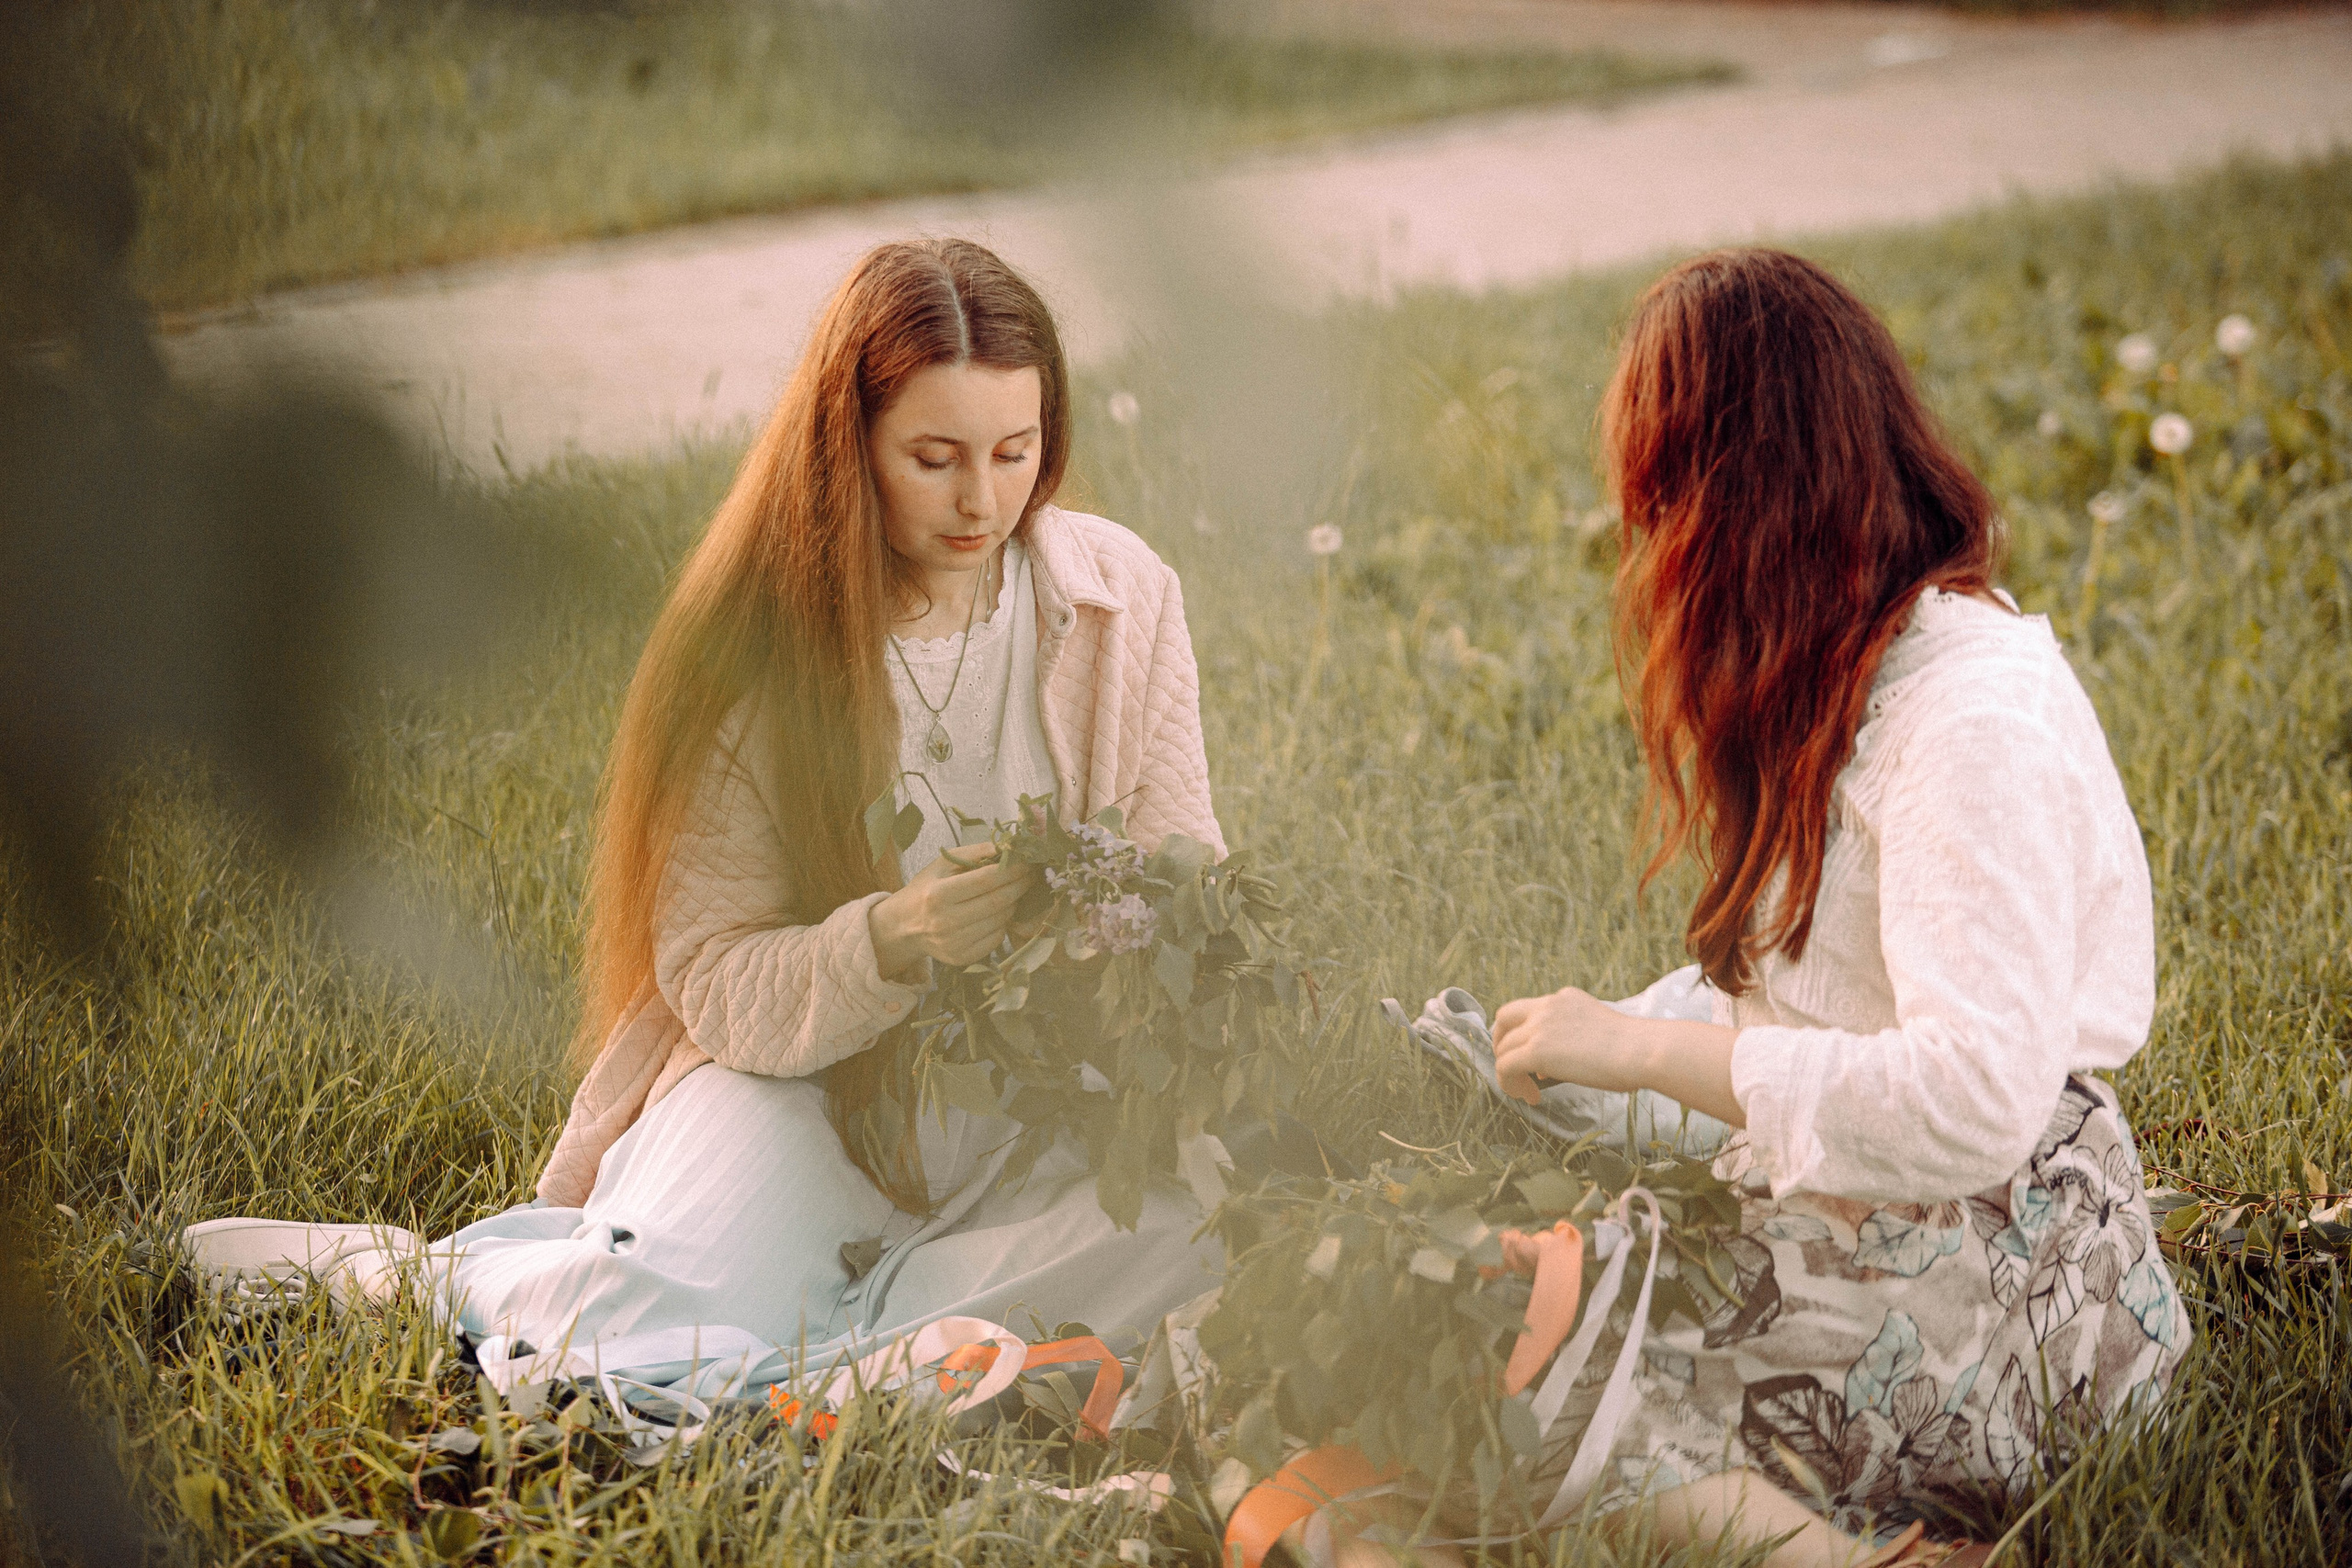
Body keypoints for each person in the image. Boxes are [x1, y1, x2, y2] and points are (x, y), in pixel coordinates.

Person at [185, 239, 1227, 1412]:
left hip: (1034, 1098)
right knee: (630, 1329)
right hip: (803, 1085)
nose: (983, 499)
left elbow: (1187, 874)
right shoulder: (752, 645)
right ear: (853, 448)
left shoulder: (1118, 597)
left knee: (1213, 1224)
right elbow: (716, 978)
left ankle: (844, 1351)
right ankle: (420, 1282)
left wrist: (1117, 959)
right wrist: (892, 937)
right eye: (933, 458)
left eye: (1015, 451)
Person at [1477, 250, 2188, 1567]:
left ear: (1741, 498)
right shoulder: (1840, 669)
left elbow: (1978, 1097)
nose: (1647, 546)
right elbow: (1811, 1004)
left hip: (2006, 1289)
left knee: (1495, 1360)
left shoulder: (1970, 717)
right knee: (1490, 1290)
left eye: (1661, 497)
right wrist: (1549, 1044)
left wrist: (1634, 1049)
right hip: (1887, 1228)